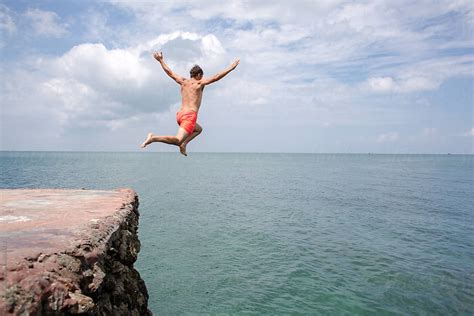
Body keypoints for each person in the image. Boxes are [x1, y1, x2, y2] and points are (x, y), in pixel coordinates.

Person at [140, 51, 240, 156]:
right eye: (202, 76)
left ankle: (184, 143)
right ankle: (154, 138)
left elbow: (170, 72)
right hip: (189, 115)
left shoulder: (183, 81)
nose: (202, 79)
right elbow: (216, 77)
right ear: (199, 75)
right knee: (178, 140)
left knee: (198, 129)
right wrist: (231, 67)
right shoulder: (199, 83)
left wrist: (161, 60)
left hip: (180, 115)